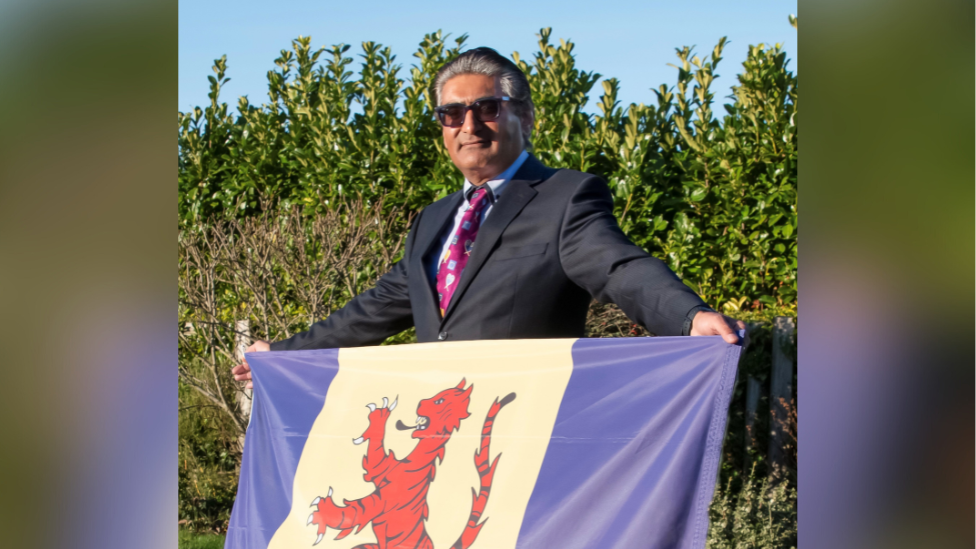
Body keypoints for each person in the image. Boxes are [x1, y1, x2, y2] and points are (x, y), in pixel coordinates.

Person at [233, 47, 745, 387]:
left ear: (523, 117)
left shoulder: (566, 197)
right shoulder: (432, 221)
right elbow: (371, 311)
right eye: (452, 114)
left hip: (521, 429)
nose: (469, 125)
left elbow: (618, 267)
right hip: (436, 424)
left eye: (488, 108)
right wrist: (281, 354)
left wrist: (687, 316)